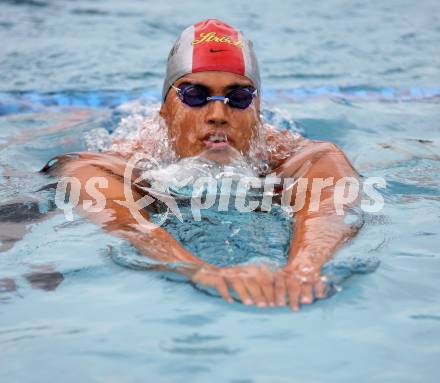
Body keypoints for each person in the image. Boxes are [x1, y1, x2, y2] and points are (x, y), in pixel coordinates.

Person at [42, 19, 361, 310]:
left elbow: (328, 211)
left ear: (258, 111)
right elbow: (125, 222)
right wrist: (201, 271)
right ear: (165, 110)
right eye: (195, 96)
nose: (218, 115)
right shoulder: (125, 163)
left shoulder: (302, 158)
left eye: (238, 98)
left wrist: (303, 269)